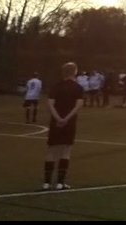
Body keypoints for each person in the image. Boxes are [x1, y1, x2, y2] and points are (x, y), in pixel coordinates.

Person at [43, 61, 85, 191]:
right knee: (66, 150)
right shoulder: (78, 88)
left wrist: (58, 118)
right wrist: (66, 118)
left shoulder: (56, 86)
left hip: (55, 122)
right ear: (75, 72)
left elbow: (50, 104)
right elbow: (78, 105)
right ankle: (60, 183)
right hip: (69, 122)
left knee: (51, 150)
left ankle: (46, 183)